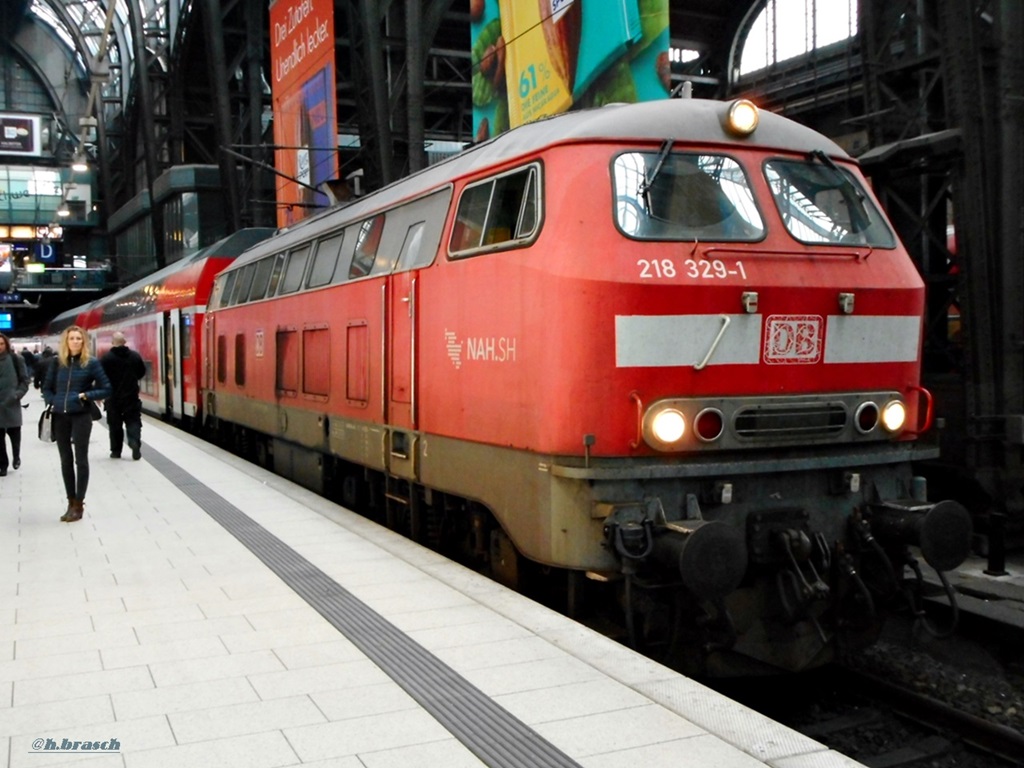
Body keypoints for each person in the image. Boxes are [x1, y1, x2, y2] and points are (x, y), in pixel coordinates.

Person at [43, 326, 111, 522]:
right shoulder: (57, 363)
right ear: (66, 341)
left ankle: (79, 504)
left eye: (78, 339)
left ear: (83, 342)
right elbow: (47, 388)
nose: (75, 342)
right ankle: (70, 501)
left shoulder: (91, 363)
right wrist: (52, 401)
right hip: (60, 416)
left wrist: (85, 395)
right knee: (65, 460)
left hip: (81, 415)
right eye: (72, 338)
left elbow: (107, 388)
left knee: (80, 460)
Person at [100, 331, 146, 460]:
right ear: (125, 342)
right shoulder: (135, 356)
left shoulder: (106, 358)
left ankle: (116, 451)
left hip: (112, 398)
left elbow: (100, 377)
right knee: (133, 422)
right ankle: (134, 442)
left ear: (113, 343)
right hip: (131, 397)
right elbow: (141, 373)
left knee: (114, 425)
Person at [0, 332, 30, 476]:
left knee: (14, 434)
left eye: (1, 344)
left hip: (12, 402)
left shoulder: (16, 359)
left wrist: (17, 394)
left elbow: (25, 380)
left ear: (6, 344)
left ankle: (16, 456)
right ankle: (2, 465)